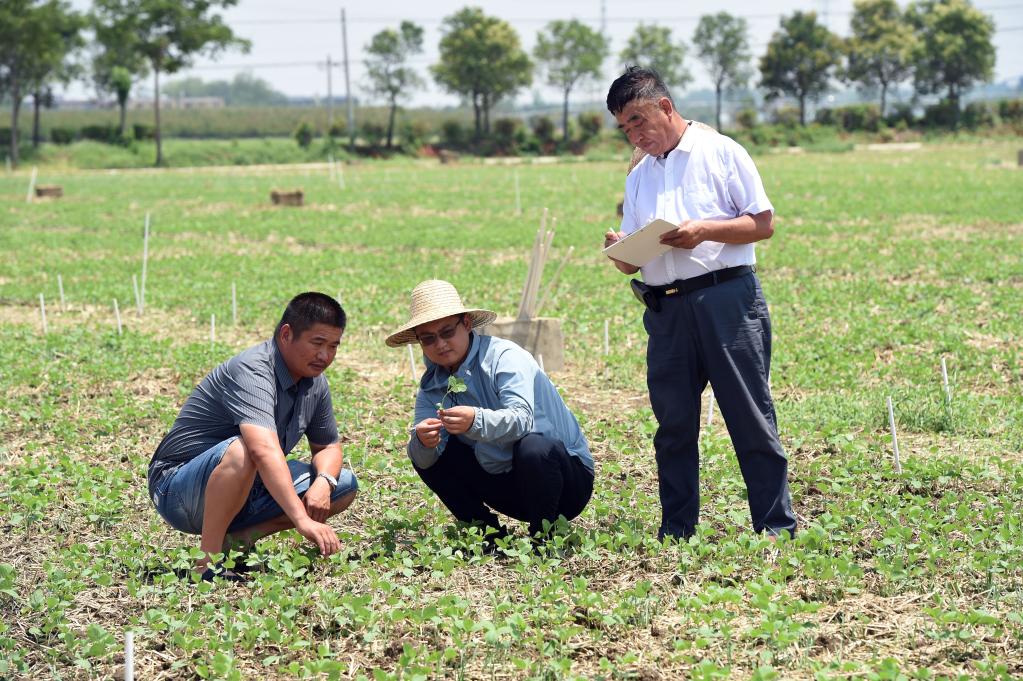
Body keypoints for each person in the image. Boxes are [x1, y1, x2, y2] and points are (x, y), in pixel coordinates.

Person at [603, 66, 797, 541]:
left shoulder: (721, 152)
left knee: (749, 418)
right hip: (666, 311)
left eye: (638, 120)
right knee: (673, 425)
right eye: (625, 128)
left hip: (726, 300)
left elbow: (763, 223)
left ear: (665, 106)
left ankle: (775, 527)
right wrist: (621, 251)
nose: (634, 135)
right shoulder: (639, 177)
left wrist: (704, 230)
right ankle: (677, 530)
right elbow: (632, 260)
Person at [148, 292, 358, 580]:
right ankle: (207, 564)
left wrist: (324, 482)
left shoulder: (315, 383)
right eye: (317, 343)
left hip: (246, 486)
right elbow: (262, 450)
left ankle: (237, 541)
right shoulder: (253, 369)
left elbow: (328, 446)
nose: (325, 356)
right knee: (244, 449)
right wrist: (301, 519)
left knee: (342, 484)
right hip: (178, 489)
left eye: (333, 346)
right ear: (286, 334)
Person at [385, 279, 594, 543]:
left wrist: (476, 420)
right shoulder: (433, 385)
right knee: (423, 448)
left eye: (447, 332)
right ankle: (487, 535)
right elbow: (424, 459)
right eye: (428, 338)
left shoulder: (504, 357)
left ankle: (544, 538)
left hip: (564, 482)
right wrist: (424, 442)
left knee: (533, 447)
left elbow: (522, 419)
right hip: (509, 485)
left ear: (466, 324)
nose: (440, 344)